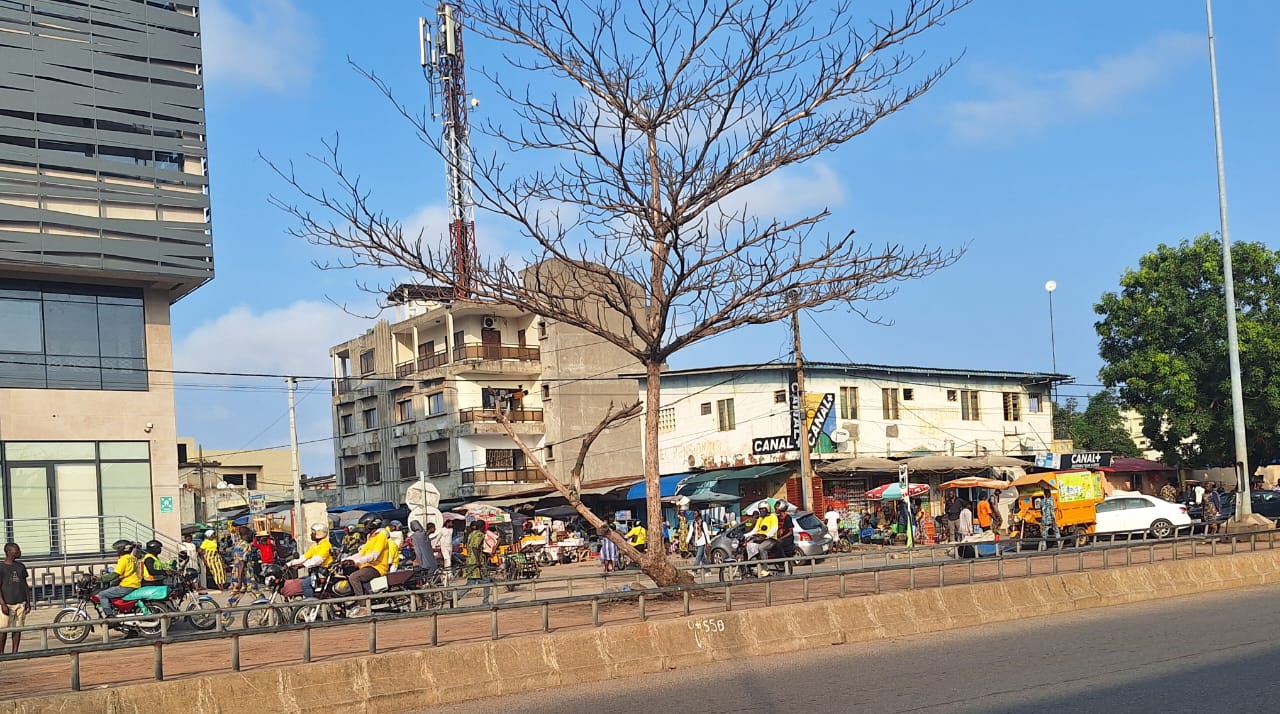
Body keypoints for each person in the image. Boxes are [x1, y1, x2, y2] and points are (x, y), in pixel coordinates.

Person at [344, 518, 392, 615]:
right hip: (367, 566)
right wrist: (345, 560)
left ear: (371, 525)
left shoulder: (381, 536)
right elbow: (361, 553)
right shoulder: (370, 537)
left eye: (364, 525)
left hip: (377, 567)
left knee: (354, 577)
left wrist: (355, 562)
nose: (362, 528)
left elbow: (374, 556)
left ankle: (363, 606)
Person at [0, 543, 32, 654]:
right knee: (3, 629)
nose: (19, 552)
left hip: (20, 602)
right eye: (16, 550)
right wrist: (2, 604)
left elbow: (25, 585)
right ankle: (2, 653)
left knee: (18, 629)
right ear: (9, 551)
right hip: (7, 603)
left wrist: (28, 601)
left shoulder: (20, 566)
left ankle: (15, 652)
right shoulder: (1, 567)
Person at [287, 523, 334, 598]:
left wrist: (303, 565)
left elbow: (318, 560)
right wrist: (289, 564)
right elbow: (304, 557)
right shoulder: (315, 545)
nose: (311, 535)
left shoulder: (325, 545)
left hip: (323, 573)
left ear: (319, 534)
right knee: (299, 581)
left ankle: (311, 602)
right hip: (315, 572)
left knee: (305, 584)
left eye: (313, 533)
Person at [98, 539, 141, 620]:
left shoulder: (123, 560)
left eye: (117, 549)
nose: (116, 552)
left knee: (102, 594)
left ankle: (109, 615)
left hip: (127, 585)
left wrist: (99, 579)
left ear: (122, 549)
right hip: (135, 584)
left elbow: (115, 574)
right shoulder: (133, 558)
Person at [455, 521, 491, 605]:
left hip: (469, 560)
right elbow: (475, 547)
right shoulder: (480, 535)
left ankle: (456, 596)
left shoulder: (471, 534)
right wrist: (478, 561)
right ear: (482, 527)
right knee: (486, 581)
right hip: (477, 562)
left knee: (471, 582)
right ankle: (485, 602)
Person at [749, 505, 778, 576]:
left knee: (761, 548)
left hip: (771, 539)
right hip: (760, 538)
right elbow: (755, 529)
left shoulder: (773, 517)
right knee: (748, 545)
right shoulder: (760, 518)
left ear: (767, 509)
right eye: (760, 509)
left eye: (763, 509)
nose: (761, 511)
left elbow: (774, 529)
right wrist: (746, 535)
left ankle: (765, 569)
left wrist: (767, 535)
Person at [689, 510, 712, 575]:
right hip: (696, 542)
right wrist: (687, 541)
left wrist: (709, 542)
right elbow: (690, 532)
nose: (694, 515)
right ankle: (708, 571)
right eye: (693, 514)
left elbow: (706, 533)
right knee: (702, 558)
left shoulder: (703, 523)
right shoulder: (693, 523)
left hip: (702, 542)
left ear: (698, 515)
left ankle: (694, 571)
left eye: (695, 514)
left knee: (698, 557)